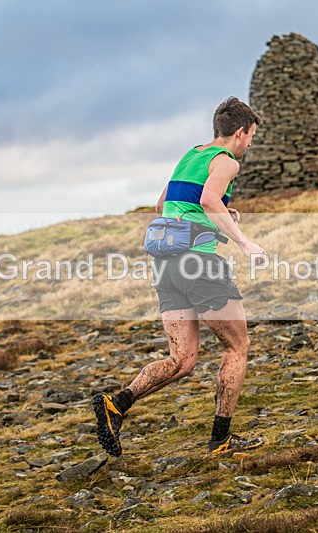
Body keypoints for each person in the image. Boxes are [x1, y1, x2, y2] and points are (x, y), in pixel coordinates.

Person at [93, 97, 268, 457]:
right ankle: (221, 440)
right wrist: (244, 242)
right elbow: (207, 201)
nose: (250, 143)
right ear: (239, 132)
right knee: (237, 347)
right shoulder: (226, 161)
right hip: (200, 266)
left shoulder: (192, 155)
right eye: (251, 136)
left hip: (166, 267)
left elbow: (164, 206)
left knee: (183, 359)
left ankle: (117, 404)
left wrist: (219, 214)